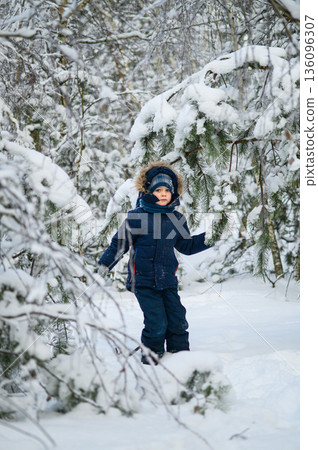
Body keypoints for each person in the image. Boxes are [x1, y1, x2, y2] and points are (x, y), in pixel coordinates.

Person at [98, 162, 213, 365]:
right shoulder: (136, 217)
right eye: (158, 189)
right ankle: (152, 358)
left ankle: (180, 356)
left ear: (173, 193)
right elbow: (120, 244)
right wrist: (104, 265)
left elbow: (186, 246)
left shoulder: (176, 219)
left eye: (167, 190)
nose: (162, 194)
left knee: (177, 319)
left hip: (167, 281)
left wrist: (212, 236)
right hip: (143, 281)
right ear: (148, 191)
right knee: (157, 322)